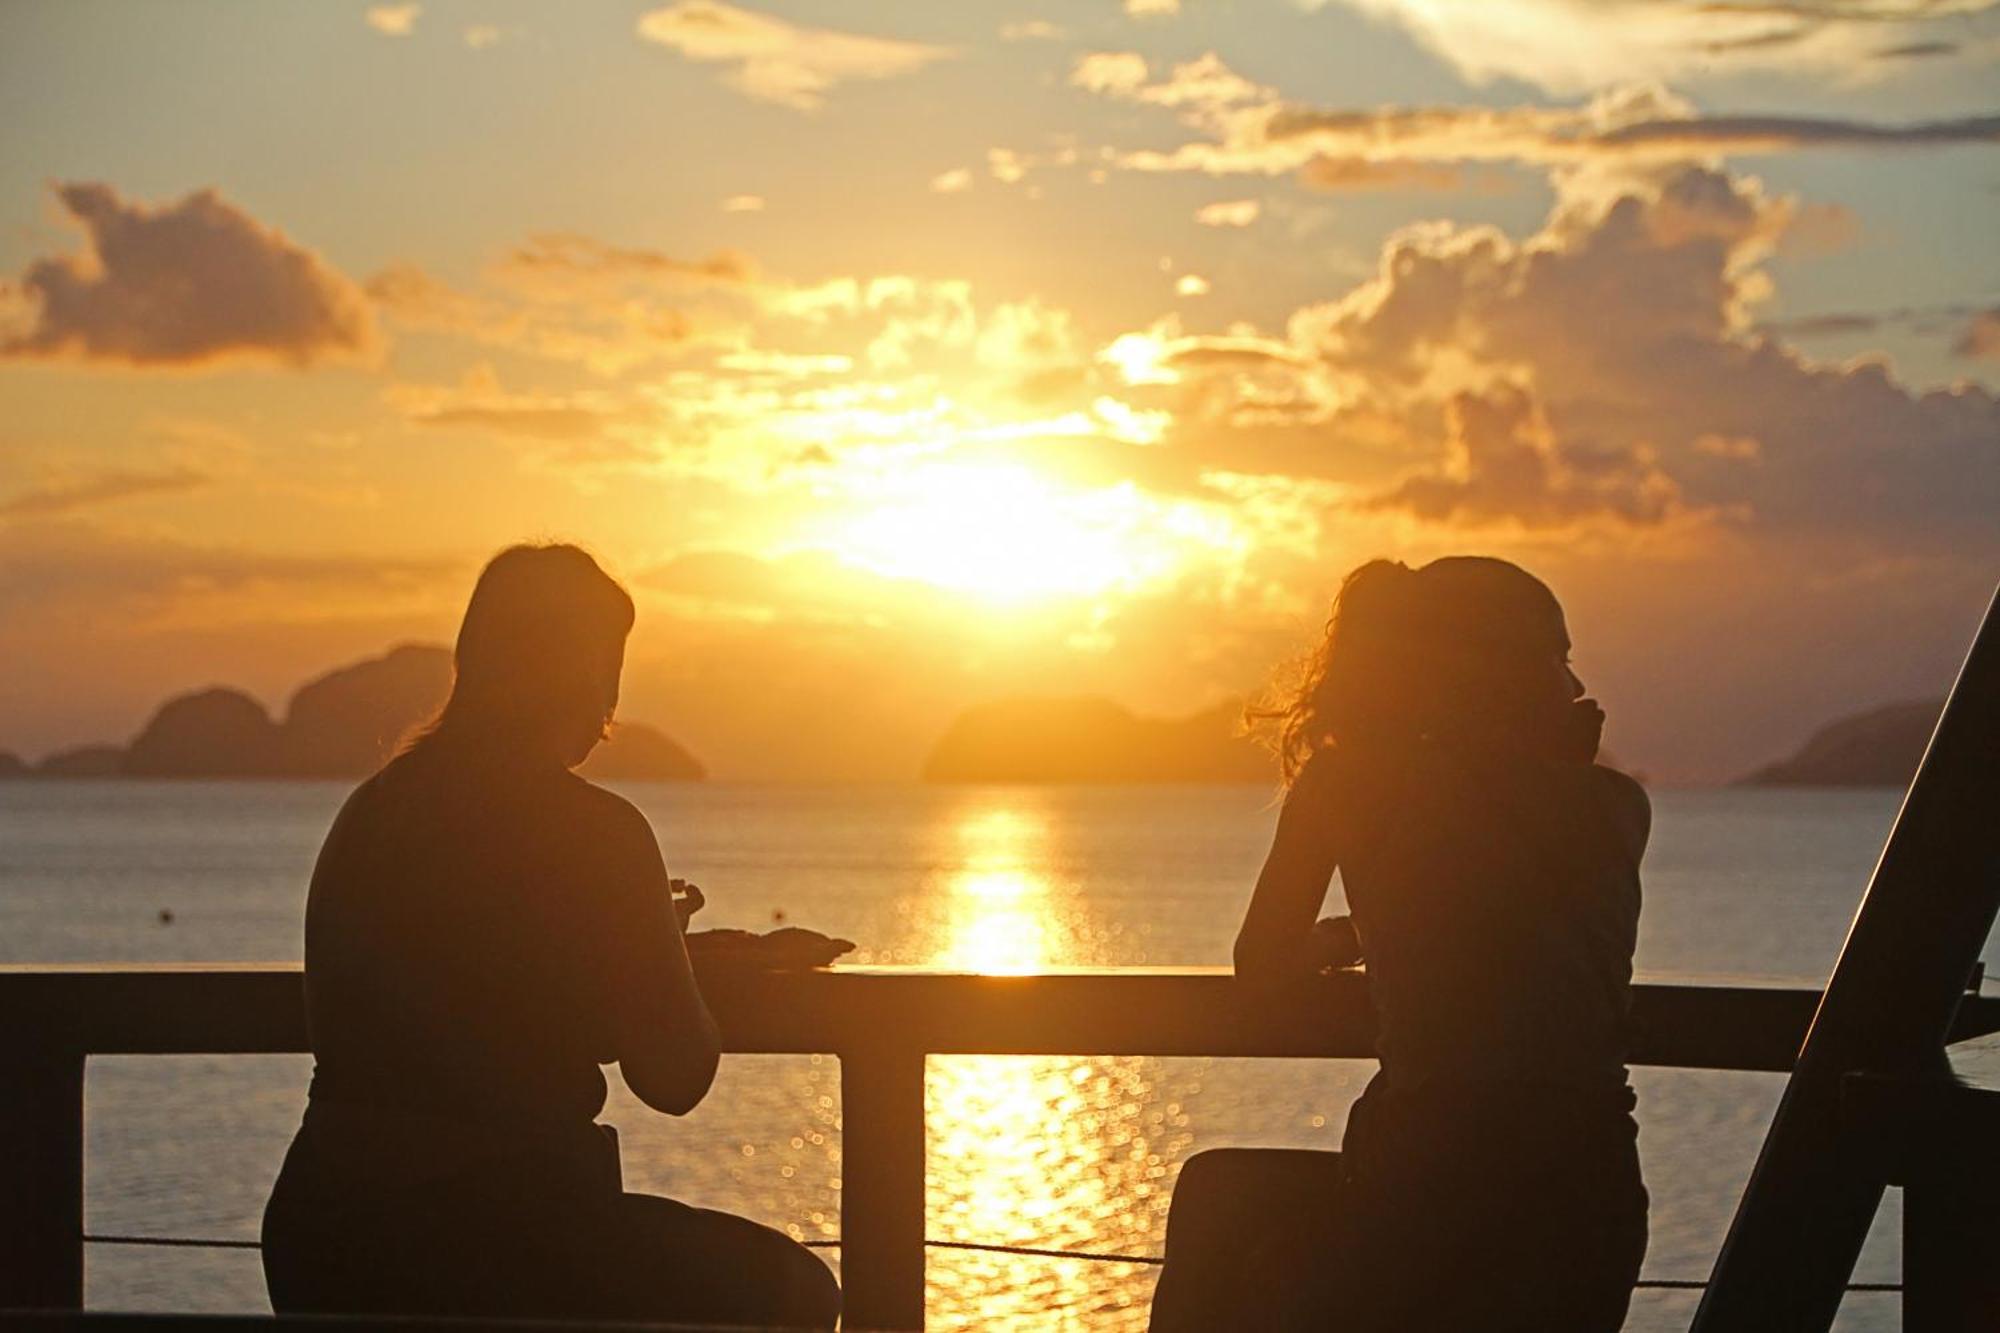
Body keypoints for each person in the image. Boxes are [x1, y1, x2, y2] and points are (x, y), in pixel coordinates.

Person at [262, 543, 840, 1329]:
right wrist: (672, 960)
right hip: (501, 1237)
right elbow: (675, 1077)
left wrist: (655, 946)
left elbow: (486, 983)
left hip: (327, 1236)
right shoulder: (599, 829)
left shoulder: (371, 814)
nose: (609, 713)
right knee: (798, 1294)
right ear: (584, 677)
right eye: (609, 678)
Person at [1150, 556, 1650, 1332]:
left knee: (1219, 1196)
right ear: (1496, 673)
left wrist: (1347, 940)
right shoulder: (1617, 806)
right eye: (1558, 659)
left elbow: (1262, 966)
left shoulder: (1348, 784)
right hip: (1589, 1210)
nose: (1577, 686)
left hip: (1427, 1193)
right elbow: (1509, 908)